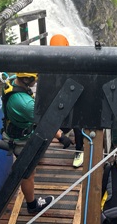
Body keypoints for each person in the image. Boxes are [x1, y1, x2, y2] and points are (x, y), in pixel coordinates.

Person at [1, 72, 54, 214]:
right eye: (34, 79)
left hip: (14, 128)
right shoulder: (24, 104)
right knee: (28, 173)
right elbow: (46, 121)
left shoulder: (12, 81)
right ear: (26, 79)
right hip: (20, 141)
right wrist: (61, 136)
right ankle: (32, 205)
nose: (36, 81)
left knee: (27, 169)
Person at [49, 33, 85, 168]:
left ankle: (79, 150)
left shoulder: (73, 61)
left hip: (73, 94)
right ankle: (64, 132)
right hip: (60, 97)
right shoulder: (50, 62)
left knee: (77, 121)